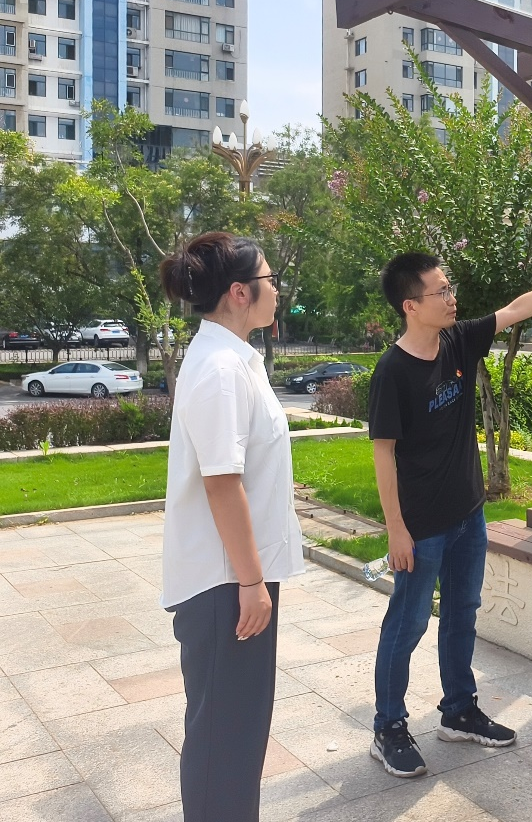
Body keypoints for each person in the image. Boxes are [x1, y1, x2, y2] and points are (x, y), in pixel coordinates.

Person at [368, 247, 532, 777]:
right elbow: (383, 454)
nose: (451, 297)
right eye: (440, 291)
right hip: (421, 528)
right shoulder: (392, 371)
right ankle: (388, 727)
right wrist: (396, 529)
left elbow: (517, 308)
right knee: (407, 624)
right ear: (410, 305)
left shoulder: (458, 340)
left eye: (449, 287)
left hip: (468, 515)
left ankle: (459, 711)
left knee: (463, 613)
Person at [157, 232, 304, 822]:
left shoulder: (234, 358)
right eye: (269, 280)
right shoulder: (221, 368)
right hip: (226, 585)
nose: (276, 290)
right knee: (226, 738)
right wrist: (251, 582)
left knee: (236, 733)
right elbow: (222, 483)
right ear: (240, 293)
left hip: (236, 576)